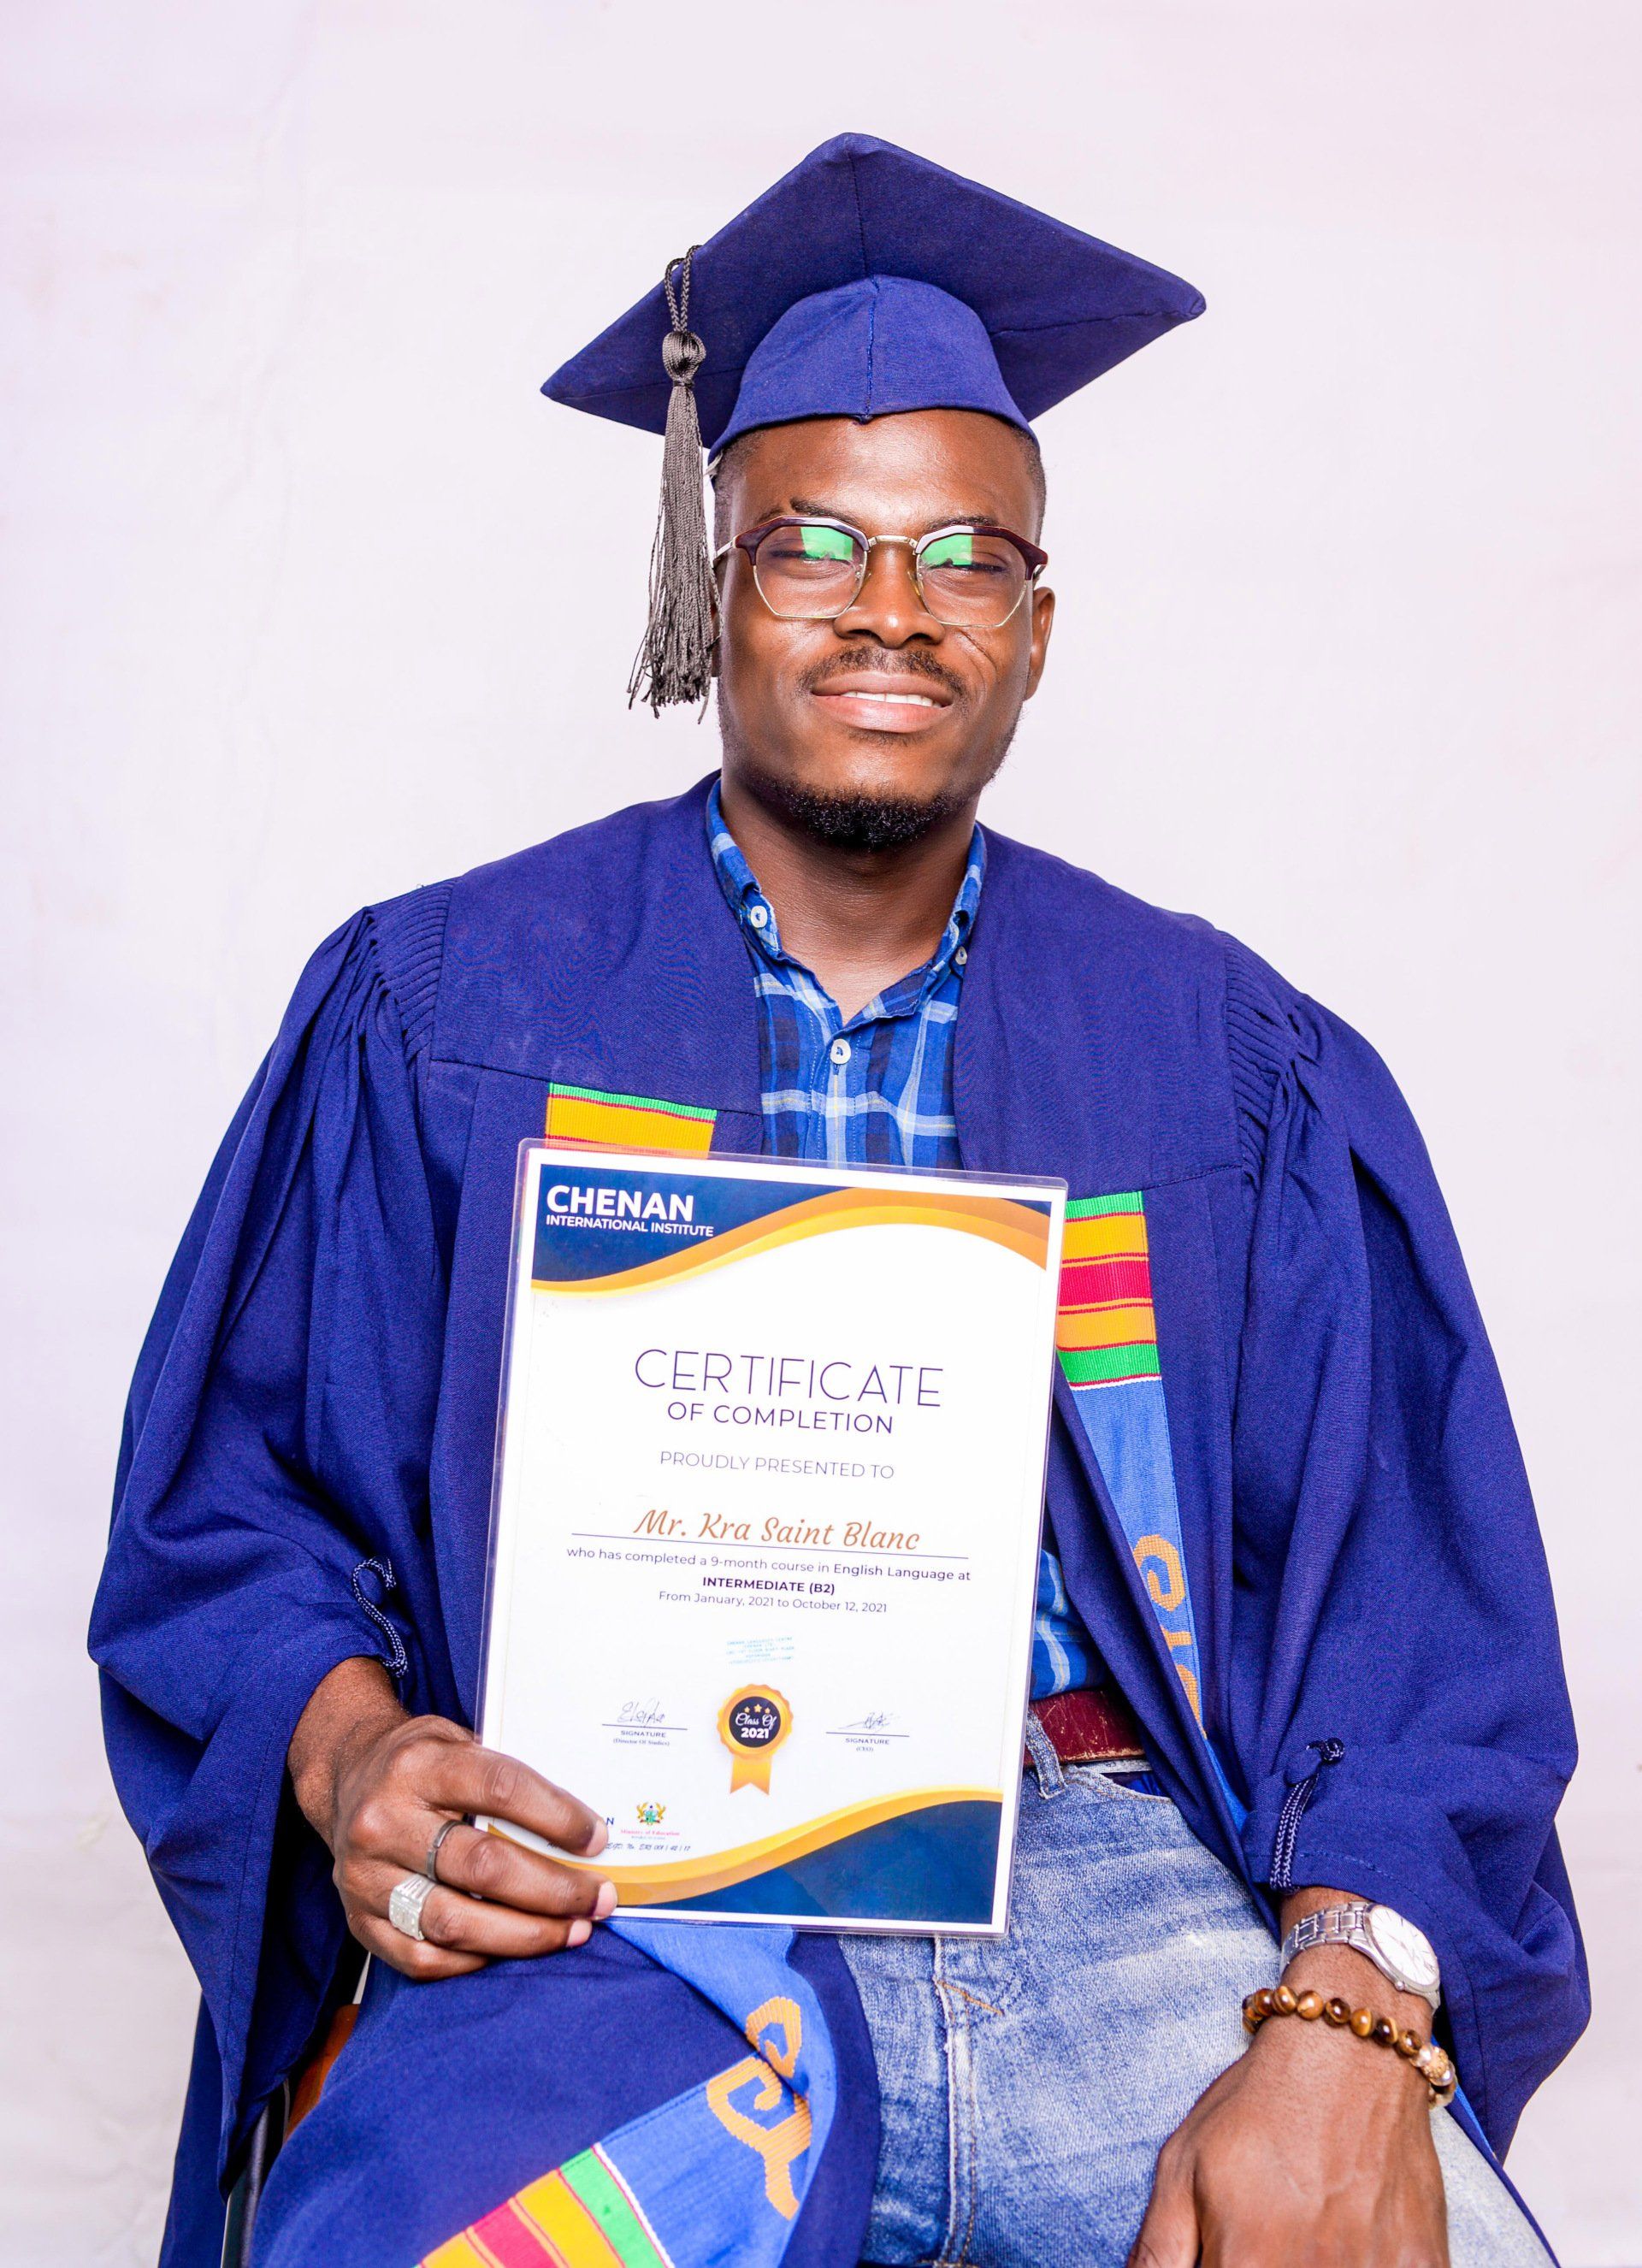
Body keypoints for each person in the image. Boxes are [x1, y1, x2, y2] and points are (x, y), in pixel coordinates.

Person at [92, 134, 1586, 2268]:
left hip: (1122, 1890)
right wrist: (354, 1769)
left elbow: (1418, 1624)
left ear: (1040, 627)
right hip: (613, 1887)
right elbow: (230, 1532)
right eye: (817, 545)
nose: (896, 610)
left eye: (966, 557)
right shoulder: (438, 1007)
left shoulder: (1226, 1059)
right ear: (718, 587)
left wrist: (1348, 2009)